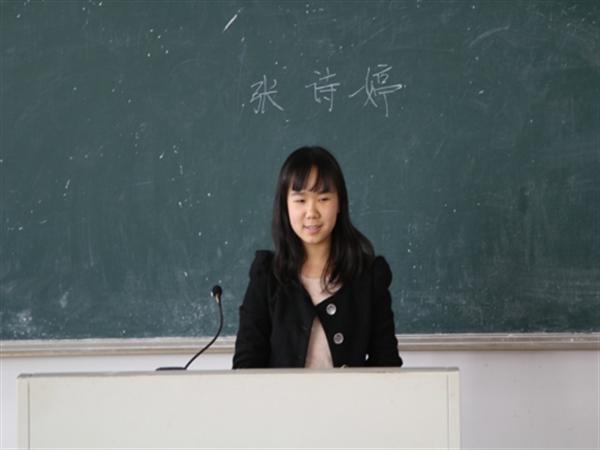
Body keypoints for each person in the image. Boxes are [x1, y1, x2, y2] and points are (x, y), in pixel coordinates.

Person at [233, 146, 402, 368]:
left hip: (350, 393)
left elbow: (387, 365)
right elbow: (246, 366)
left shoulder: (369, 275)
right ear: (285, 206)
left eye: (323, 198)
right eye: (300, 200)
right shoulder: (266, 276)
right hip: (281, 393)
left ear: (340, 204)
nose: (311, 212)